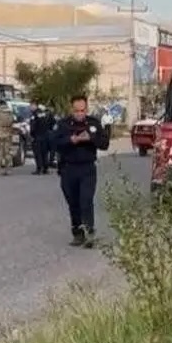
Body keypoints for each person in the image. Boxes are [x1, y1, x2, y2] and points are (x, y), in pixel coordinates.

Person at [50, 94, 110, 248]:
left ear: (86, 109)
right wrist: (71, 140)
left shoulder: (93, 123)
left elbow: (104, 143)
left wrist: (90, 138)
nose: (79, 114)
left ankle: (89, 233)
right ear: (72, 109)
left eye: (82, 110)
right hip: (68, 168)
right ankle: (77, 234)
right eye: (76, 111)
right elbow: (53, 142)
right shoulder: (63, 124)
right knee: (73, 203)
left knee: (86, 201)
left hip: (87, 168)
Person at [29, 102, 56, 175]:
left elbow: (33, 126)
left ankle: (39, 169)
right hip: (46, 136)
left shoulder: (34, 115)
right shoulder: (45, 114)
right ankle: (45, 169)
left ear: (35, 106)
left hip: (37, 137)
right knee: (44, 153)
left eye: (31, 106)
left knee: (38, 153)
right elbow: (52, 123)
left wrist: (32, 135)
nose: (30, 108)